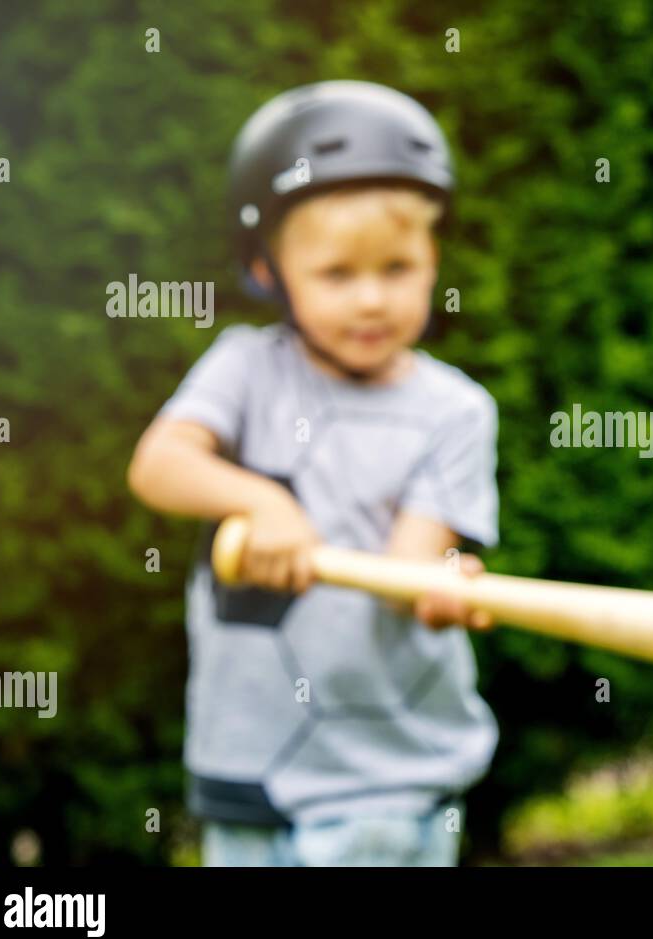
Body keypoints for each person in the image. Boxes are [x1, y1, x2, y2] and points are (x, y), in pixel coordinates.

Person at [127, 81, 499, 866]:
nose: (371, 299)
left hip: (382, 782)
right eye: (337, 274)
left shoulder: (456, 411)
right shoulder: (244, 370)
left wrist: (436, 586)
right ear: (269, 268)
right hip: (247, 768)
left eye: (398, 268)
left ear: (434, 261)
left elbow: (405, 568)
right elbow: (159, 464)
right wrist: (259, 501)